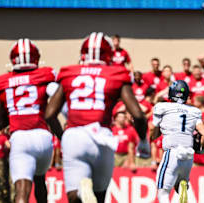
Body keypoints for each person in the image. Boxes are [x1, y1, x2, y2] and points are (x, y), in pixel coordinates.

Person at [45, 32, 149, 203]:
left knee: (73, 197)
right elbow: (138, 115)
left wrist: (63, 138)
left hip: (75, 135)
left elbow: (49, 115)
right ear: (109, 55)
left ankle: (80, 195)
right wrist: (143, 140)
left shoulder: (69, 72)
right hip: (101, 137)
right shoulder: (116, 73)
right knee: (100, 196)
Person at [0, 38, 63, 203]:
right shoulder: (45, 75)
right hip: (43, 137)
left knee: (21, 191)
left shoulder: (3, 83)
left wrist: (5, 126)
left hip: (21, 137)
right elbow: (57, 100)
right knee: (40, 181)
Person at [150, 80, 204, 203]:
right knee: (180, 184)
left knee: (163, 193)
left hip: (172, 152)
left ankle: (179, 184)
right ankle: (181, 184)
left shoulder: (162, 107)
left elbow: (153, 133)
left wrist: (156, 133)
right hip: (188, 155)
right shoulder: (194, 111)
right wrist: (201, 149)